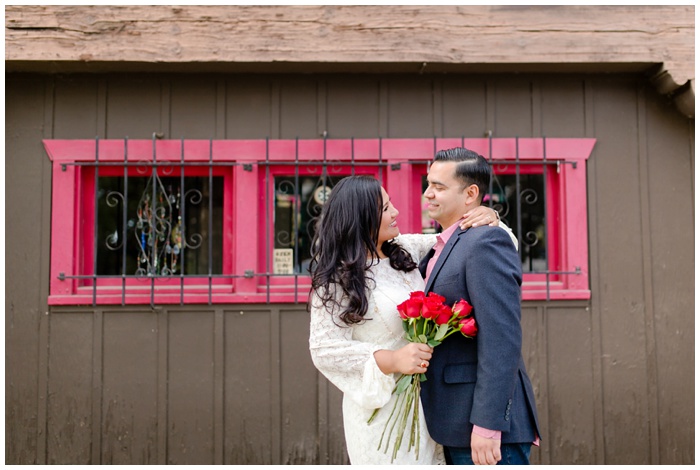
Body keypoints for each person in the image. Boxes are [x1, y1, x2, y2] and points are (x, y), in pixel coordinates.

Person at [307, 175, 512, 465]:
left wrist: (490, 216)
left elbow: (467, 239)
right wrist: (391, 359)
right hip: (380, 410)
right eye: (386, 208)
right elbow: (324, 349)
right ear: (361, 217)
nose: (396, 213)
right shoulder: (336, 279)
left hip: (426, 406)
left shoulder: (404, 249)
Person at [418, 147, 541, 465]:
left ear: (471, 193)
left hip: (483, 428)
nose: (428, 194)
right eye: (428, 184)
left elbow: (502, 339)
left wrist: (487, 425)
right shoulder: (442, 244)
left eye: (439, 187)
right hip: (453, 420)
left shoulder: (486, 241)